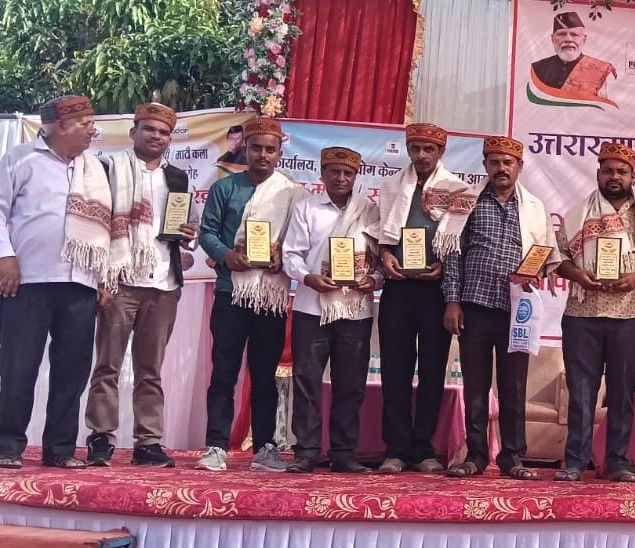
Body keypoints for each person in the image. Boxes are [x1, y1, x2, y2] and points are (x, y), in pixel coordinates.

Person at [0, 95, 104, 469]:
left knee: (72, 372)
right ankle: (9, 447)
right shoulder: (21, 159)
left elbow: (108, 227)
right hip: (27, 281)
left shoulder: (96, 168)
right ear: (60, 126)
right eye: (85, 124)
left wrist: (105, 278)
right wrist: (5, 256)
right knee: (18, 367)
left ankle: (60, 450)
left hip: (81, 282)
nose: (93, 131)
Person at [84, 103, 198, 468]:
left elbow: (190, 228)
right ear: (133, 132)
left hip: (163, 284)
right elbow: (96, 225)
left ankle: (148, 442)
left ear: (170, 139)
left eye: (163, 132)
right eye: (149, 129)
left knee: (150, 370)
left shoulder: (178, 179)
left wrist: (190, 235)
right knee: (107, 366)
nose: (156, 136)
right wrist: (101, 278)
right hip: (120, 282)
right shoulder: (109, 169)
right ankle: (101, 438)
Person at [553, 142, 635, 482]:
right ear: (598, 174)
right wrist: (578, 275)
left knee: (622, 393)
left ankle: (617, 462)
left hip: (629, 315)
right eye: (608, 170)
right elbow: (557, 257)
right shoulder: (578, 215)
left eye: (622, 171)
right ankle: (575, 462)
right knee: (581, 393)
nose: (614, 176)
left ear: (632, 176)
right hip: (582, 314)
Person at [442, 136, 560, 480]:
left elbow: (546, 255)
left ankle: (513, 457)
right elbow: (453, 254)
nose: (501, 168)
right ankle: (477, 455)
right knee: (475, 387)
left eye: (508, 163)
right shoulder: (467, 202)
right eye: (494, 162)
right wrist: (452, 301)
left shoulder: (534, 206)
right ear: (485, 166)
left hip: (517, 310)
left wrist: (537, 272)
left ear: (519, 167)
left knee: (514, 386)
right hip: (475, 306)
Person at [196, 117, 308, 472]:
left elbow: (298, 241)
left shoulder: (292, 193)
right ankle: (216, 446)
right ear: (244, 149)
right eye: (256, 148)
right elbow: (207, 232)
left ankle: (265, 448)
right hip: (231, 291)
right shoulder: (225, 188)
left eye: (270, 149)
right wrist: (227, 255)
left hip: (270, 297)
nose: (262, 155)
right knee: (224, 373)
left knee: (264, 376)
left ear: (279, 154)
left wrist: (282, 258)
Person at [368, 123, 473, 474]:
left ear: (441, 152)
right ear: (408, 150)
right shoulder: (391, 186)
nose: (421, 155)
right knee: (394, 370)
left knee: (432, 370)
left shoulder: (458, 190)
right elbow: (378, 236)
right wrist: (385, 256)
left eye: (429, 149)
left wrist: (444, 266)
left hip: (436, 291)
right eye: (415, 148)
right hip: (398, 287)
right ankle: (396, 450)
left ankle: (424, 449)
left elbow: (461, 242)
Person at [282, 147, 380, 474]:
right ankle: (306, 451)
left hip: (356, 310)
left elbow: (381, 259)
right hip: (312, 307)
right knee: (307, 380)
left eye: (348, 173)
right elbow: (291, 254)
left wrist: (375, 280)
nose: (341, 178)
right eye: (334, 172)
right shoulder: (306, 208)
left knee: (350, 384)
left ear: (356, 176)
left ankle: (343, 452)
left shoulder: (369, 211)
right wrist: (308, 277)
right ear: (322, 174)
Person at [530, 11, 616, 97]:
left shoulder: (600, 70)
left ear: (584, 39)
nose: (568, 39)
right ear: (553, 39)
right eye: (562, 34)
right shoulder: (537, 68)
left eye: (574, 34)